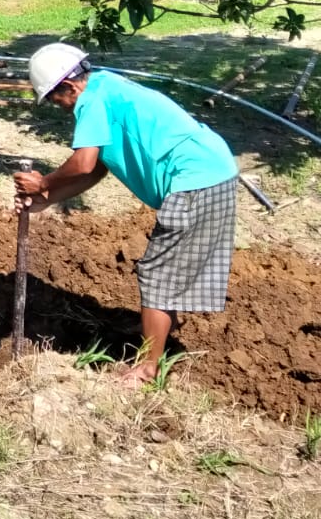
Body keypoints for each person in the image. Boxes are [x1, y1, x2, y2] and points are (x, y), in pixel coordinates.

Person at [17, 42, 240, 388]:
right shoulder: (105, 86)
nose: (58, 107)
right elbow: (97, 168)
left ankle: (148, 370)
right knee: (166, 270)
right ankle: (160, 328)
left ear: (69, 87)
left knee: (157, 273)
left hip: (195, 178)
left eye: (54, 99)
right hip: (212, 168)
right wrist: (46, 200)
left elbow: (83, 163)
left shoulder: (92, 102)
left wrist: (43, 182)